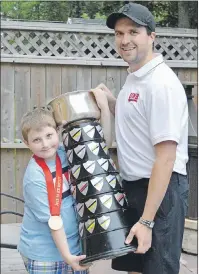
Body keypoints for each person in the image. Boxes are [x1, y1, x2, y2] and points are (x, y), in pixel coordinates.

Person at [91, 2, 189, 274]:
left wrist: (146, 221)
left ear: (152, 36)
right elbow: (139, 122)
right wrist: (113, 102)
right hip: (133, 187)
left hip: (160, 191)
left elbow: (166, 157)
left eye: (133, 32)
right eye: (119, 33)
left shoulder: (161, 84)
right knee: (135, 267)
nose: (124, 40)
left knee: (157, 269)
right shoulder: (136, 78)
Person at [18, 107, 90, 274]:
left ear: (57, 132)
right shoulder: (34, 178)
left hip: (75, 247)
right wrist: (67, 257)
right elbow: (54, 222)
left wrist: (104, 111)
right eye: (36, 140)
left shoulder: (64, 153)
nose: (45, 144)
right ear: (27, 144)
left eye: (49, 136)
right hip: (44, 256)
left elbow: (98, 147)